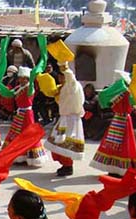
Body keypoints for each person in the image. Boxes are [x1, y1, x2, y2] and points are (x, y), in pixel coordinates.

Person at [42, 40, 86, 177]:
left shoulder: (72, 85)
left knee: (64, 144)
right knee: (57, 143)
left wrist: (64, 65)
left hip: (71, 119)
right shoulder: (63, 88)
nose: (60, 78)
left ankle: (68, 166)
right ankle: (65, 165)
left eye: (61, 76)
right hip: (64, 118)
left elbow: (70, 76)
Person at [90, 73, 136, 176]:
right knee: (119, 145)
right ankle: (118, 168)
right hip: (122, 119)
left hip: (120, 119)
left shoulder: (120, 93)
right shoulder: (127, 93)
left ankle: (118, 169)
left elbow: (105, 100)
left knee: (118, 145)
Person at [0, 66, 48, 166]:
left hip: (27, 115)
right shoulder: (18, 88)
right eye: (19, 78)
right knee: (16, 135)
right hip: (19, 114)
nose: (20, 80)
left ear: (27, 78)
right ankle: (18, 156)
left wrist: (31, 79)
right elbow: (8, 93)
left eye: (23, 78)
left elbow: (30, 88)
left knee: (27, 135)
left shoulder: (29, 88)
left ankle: (28, 156)